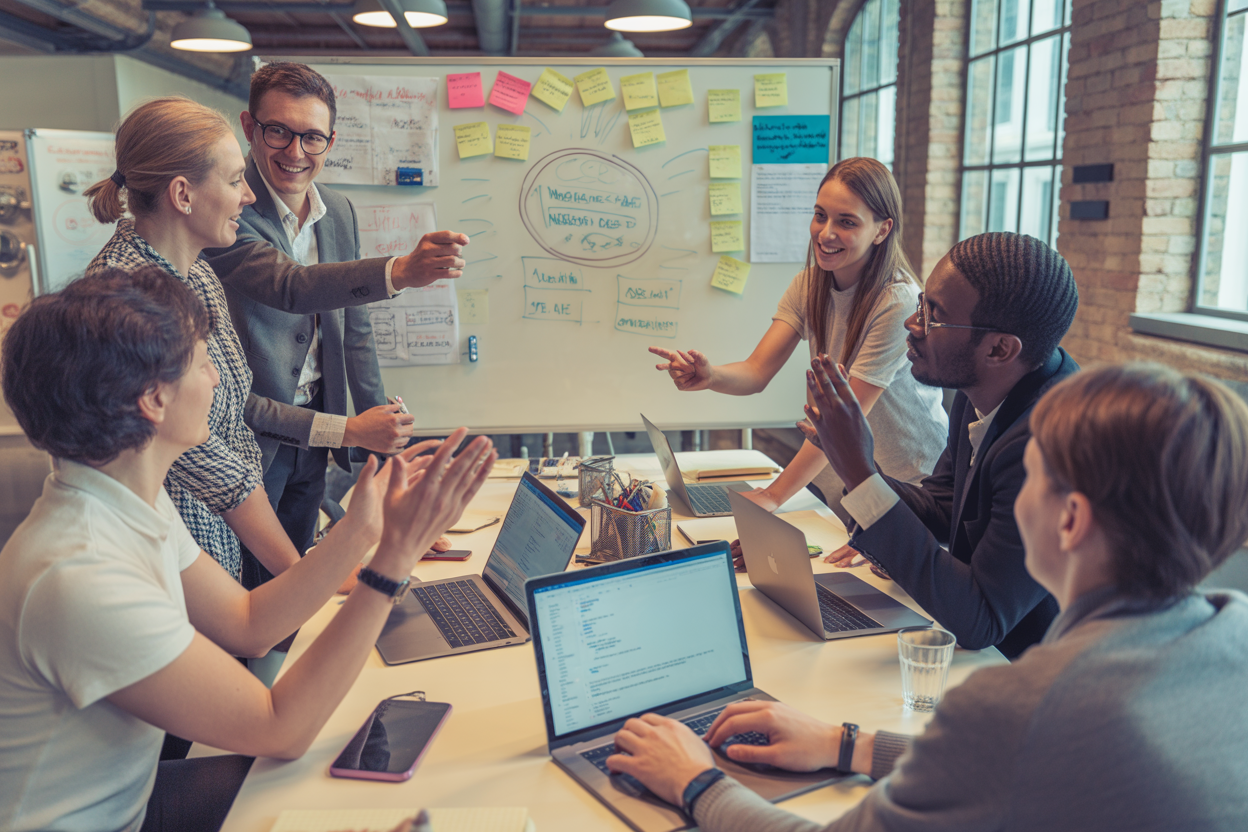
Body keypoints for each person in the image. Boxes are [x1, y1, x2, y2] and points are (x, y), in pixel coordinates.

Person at [605, 362, 1248, 832]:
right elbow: (1024, 761)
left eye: (1031, 476)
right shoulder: (1233, 632)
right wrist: (848, 744)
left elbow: (1014, 742)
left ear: (1070, 520)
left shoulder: (1019, 705)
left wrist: (695, 781)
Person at [0, 266, 496, 832]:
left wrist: (365, 527)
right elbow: (280, 728)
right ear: (153, 400)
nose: (215, 377)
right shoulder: (78, 571)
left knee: (363, 779)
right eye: (199, 359)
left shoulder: (120, 497)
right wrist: (391, 564)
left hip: (131, 802)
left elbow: (248, 620)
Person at [203, 62, 472, 571]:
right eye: (278, 131)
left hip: (319, 438)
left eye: (312, 137)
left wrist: (387, 462)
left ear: (332, 140)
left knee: (298, 590)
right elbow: (292, 287)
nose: (295, 152)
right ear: (248, 127)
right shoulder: (228, 211)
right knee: (254, 591)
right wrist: (400, 270)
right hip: (249, 438)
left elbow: (356, 335)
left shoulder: (339, 211)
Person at [803, 232, 1080, 656]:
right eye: (920, 305)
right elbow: (942, 507)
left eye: (934, 316)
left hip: (1044, 681)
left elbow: (981, 620)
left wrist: (861, 473)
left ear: (1000, 349)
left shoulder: (1051, 446)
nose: (912, 326)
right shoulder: (984, 391)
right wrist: (852, 465)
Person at [650, 158, 947, 520]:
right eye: (820, 215)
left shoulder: (896, 301)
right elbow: (757, 370)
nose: (825, 233)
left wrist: (773, 496)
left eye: (846, 222)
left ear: (882, 230)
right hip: (846, 475)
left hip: (908, 485)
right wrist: (712, 376)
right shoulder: (809, 284)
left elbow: (842, 422)